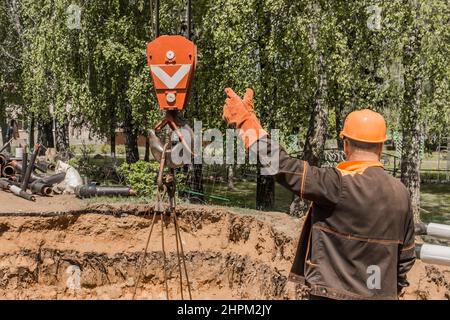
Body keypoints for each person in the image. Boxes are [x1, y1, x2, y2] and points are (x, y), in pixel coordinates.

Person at [222, 87, 416, 300]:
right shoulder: (401, 193)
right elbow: (405, 258)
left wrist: (246, 124)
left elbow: (282, 166)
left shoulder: (336, 185)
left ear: (346, 145)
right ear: (380, 146)